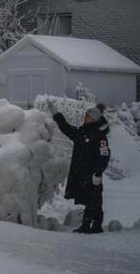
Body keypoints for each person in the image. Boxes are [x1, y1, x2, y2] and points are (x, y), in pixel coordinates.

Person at [47, 100, 110, 234]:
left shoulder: (100, 136)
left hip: (93, 174)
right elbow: (66, 128)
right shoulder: (82, 132)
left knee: (93, 199)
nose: (84, 117)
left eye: (87, 116)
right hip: (82, 172)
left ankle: (88, 225)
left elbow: (104, 155)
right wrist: (56, 114)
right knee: (93, 199)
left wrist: (98, 172)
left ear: (93, 119)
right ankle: (96, 226)